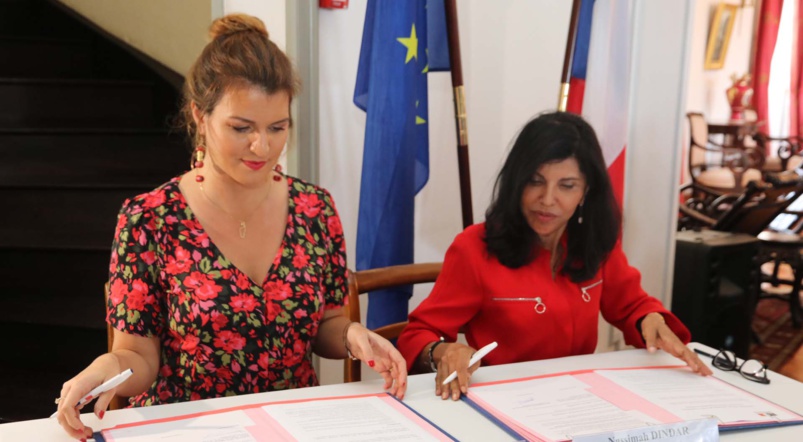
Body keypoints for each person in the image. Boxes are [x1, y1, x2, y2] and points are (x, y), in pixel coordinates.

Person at [55, 14, 406, 439]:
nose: (263, 146)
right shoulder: (150, 219)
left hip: (292, 425)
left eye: (278, 127)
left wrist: (353, 334)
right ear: (200, 116)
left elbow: (326, 326)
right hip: (190, 428)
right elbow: (136, 355)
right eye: (241, 128)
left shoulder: (315, 208)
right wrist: (101, 371)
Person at [397, 111, 712, 401]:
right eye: (535, 181)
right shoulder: (475, 248)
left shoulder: (596, 240)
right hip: (502, 402)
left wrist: (649, 318)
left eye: (567, 185)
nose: (547, 200)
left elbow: (631, 305)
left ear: (586, 191)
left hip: (578, 400)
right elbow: (418, 334)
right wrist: (442, 350)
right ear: (516, 181)